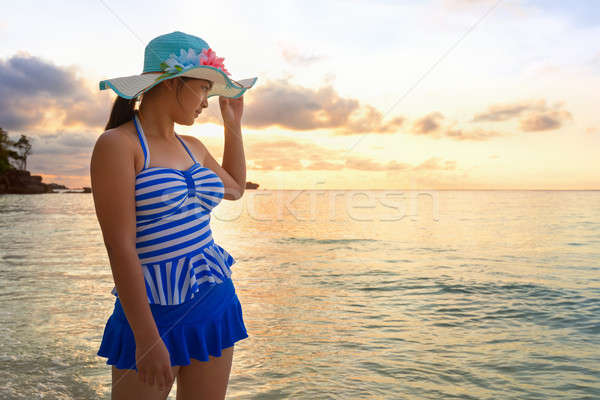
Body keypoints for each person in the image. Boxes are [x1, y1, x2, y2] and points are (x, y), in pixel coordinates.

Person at [91, 31, 256, 399]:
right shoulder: (119, 145)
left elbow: (234, 189)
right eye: (202, 88)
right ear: (170, 83)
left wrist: (234, 123)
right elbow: (120, 246)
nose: (206, 103)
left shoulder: (193, 146)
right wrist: (146, 336)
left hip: (215, 300)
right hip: (152, 315)